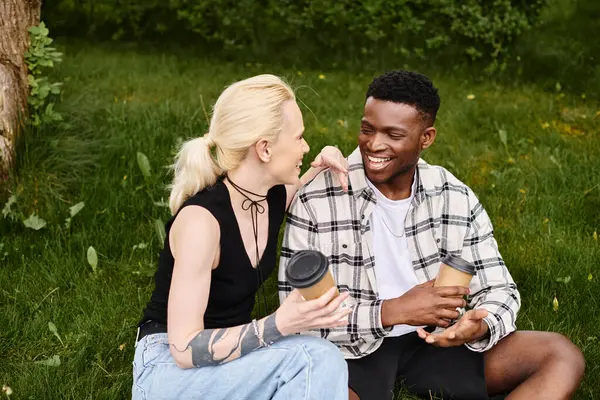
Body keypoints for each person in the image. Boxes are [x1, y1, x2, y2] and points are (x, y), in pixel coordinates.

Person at [279, 70, 586, 400]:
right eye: (367, 129)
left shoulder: (452, 195)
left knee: (560, 354)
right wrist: (393, 311)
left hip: (433, 342)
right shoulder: (318, 196)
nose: (374, 144)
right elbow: (300, 317)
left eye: (393, 135)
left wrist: (477, 326)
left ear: (426, 138)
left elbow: (499, 288)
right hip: (351, 347)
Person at [132, 74, 354, 400]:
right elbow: (183, 348)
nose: (305, 147)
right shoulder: (201, 222)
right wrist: (279, 323)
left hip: (230, 360)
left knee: (322, 362)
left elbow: (296, 185)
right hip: (168, 365)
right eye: (299, 138)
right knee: (313, 359)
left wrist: (321, 162)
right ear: (264, 149)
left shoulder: (271, 196)